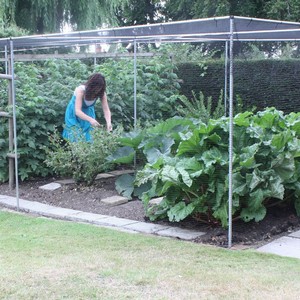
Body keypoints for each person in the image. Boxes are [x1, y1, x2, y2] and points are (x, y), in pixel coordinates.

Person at [62, 73, 112, 142]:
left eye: (100, 87)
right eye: (96, 87)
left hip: (88, 112)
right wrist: (91, 120)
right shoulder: (81, 90)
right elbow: (77, 111)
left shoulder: (102, 93)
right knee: (76, 136)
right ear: (91, 85)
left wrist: (109, 122)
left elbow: (106, 110)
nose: (97, 90)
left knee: (90, 136)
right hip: (74, 113)